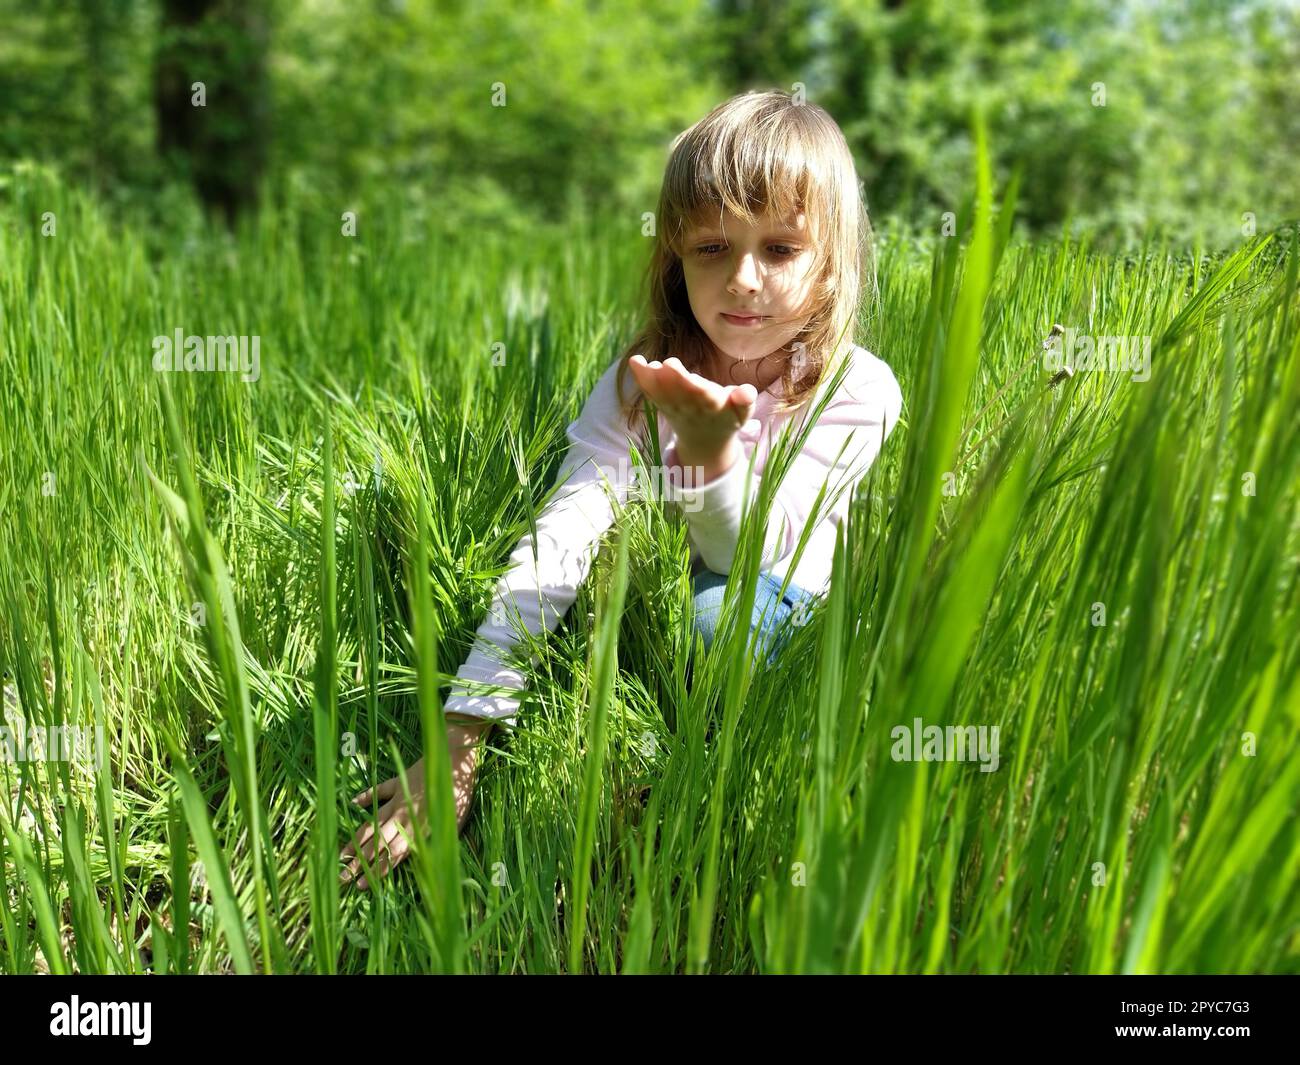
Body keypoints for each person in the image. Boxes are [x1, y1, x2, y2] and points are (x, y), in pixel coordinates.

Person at [340, 89, 903, 891]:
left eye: (780, 248)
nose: (743, 280)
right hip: (691, 594)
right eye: (712, 247)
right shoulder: (643, 382)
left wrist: (707, 462)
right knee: (673, 616)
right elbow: (563, 533)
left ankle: (728, 811)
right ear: (674, 256)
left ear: (834, 259)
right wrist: (460, 737)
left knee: (713, 622)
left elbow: (755, 557)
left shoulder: (858, 388)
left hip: (795, 604)